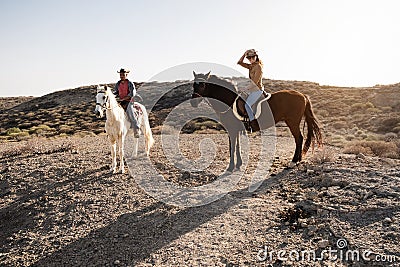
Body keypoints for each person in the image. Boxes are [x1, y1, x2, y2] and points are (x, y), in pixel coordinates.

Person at [237, 49, 267, 131]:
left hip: (257, 90)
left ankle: (253, 123)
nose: (250, 59)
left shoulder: (258, 67)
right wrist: (244, 54)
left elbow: (254, 82)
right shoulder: (251, 66)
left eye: (252, 57)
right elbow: (239, 62)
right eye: (249, 58)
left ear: (256, 57)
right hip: (252, 90)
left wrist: (245, 88)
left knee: (247, 105)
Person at [112, 68, 140, 137]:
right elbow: (116, 92)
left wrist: (124, 98)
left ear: (126, 75)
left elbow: (132, 93)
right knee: (111, 112)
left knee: (131, 113)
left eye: (123, 74)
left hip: (128, 101)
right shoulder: (118, 84)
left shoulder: (130, 83)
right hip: (120, 101)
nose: (121, 76)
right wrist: (112, 96)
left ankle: (136, 130)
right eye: (120, 75)